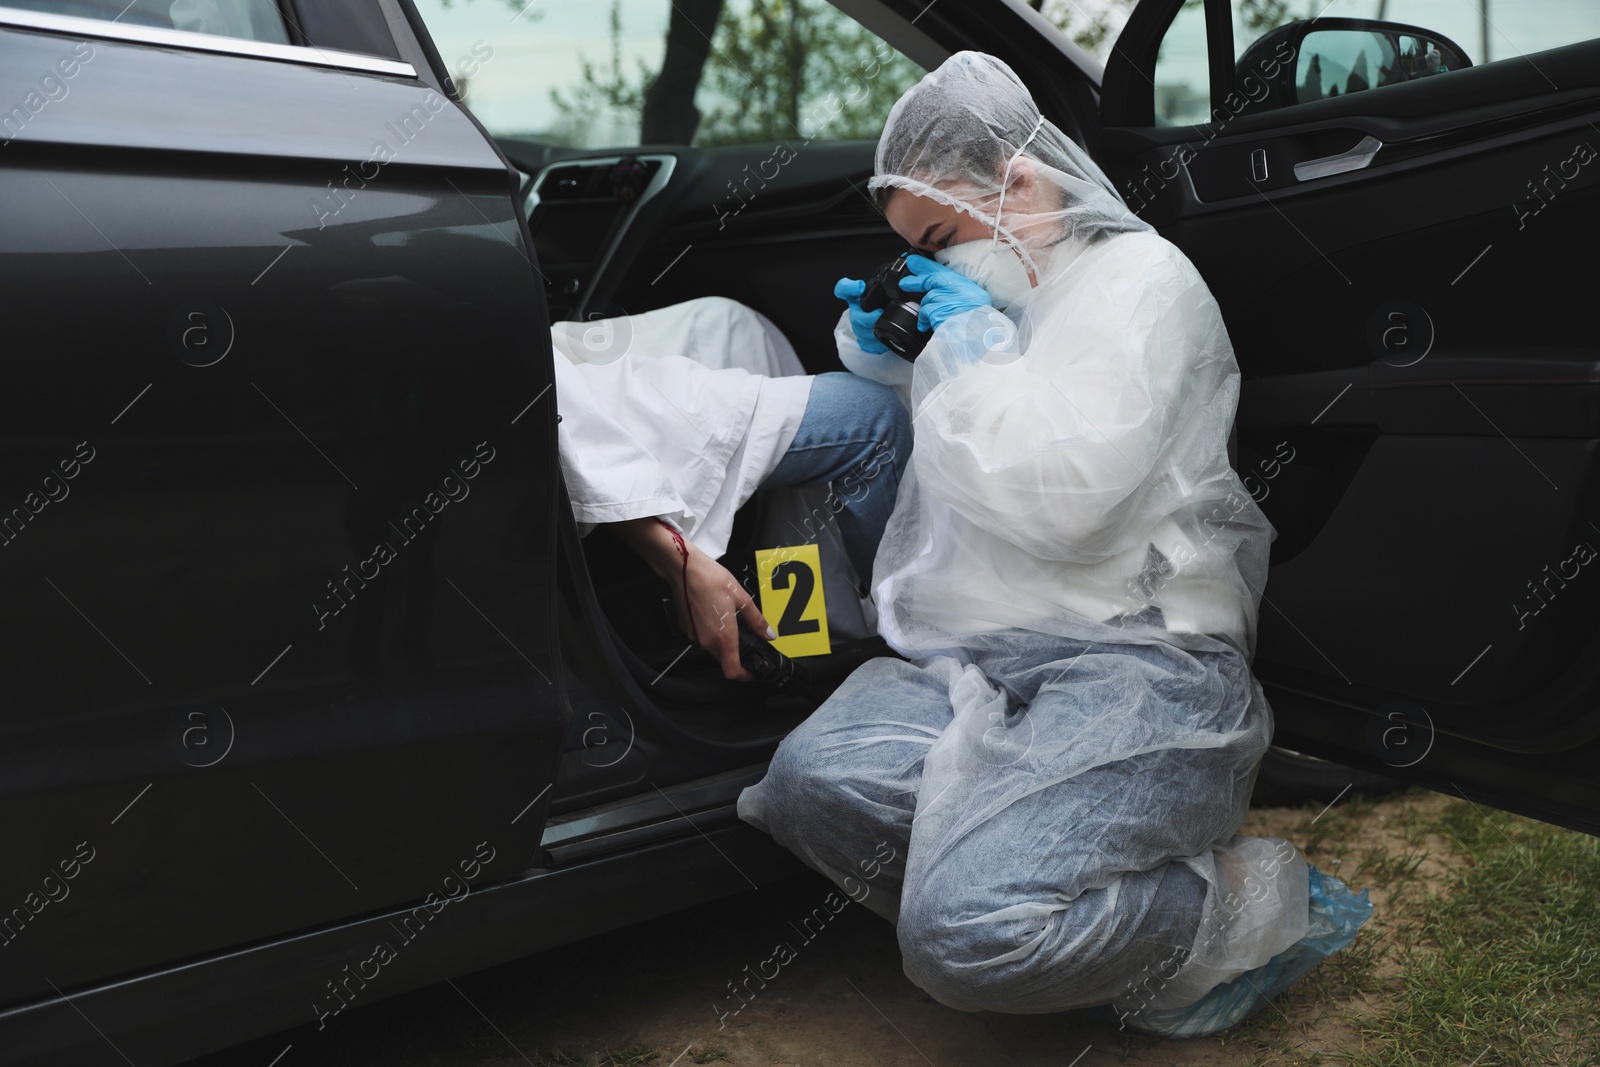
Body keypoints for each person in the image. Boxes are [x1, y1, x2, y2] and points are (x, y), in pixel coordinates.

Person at [737, 51, 1371, 1036]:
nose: (937, 269)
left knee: (964, 934)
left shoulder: (1139, 285)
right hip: (988, 654)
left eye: (940, 238)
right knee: (808, 786)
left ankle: (1233, 905)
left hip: (1140, 657)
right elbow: (935, 393)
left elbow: (1062, 497)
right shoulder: (1009, 290)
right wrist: (875, 335)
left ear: (1018, 182)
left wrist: (965, 343)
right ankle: (1051, 881)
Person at [553, 296, 910, 681]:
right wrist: (681, 563)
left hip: (565, 357)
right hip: (562, 389)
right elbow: (565, 442)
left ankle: (806, 626)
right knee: (873, 424)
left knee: (735, 325)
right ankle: (916, 639)